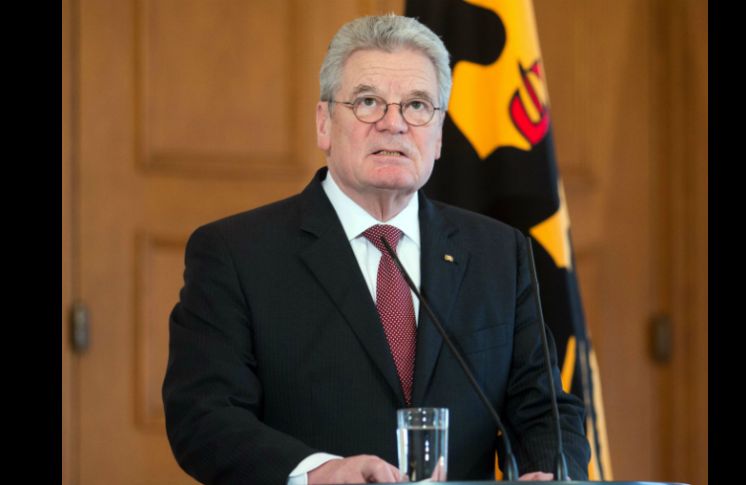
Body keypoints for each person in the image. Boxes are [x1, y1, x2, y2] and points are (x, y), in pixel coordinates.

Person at [162, 13, 590, 485]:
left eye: (417, 105)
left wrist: (550, 474)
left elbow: (544, 410)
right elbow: (203, 416)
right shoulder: (236, 254)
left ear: (439, 134)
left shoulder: (499, 254)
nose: (394, 124)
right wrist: (317, 472)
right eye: (368, 102)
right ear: (324, 124)